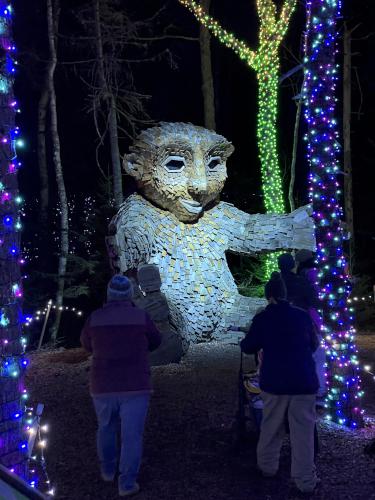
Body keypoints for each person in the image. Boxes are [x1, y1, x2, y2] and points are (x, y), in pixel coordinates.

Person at [80, 274, 161, 497]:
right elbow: (156, 341)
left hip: (103, 383)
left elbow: (86, 344)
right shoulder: (141, 316)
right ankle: (126, 483)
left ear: (109, 295)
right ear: (130, 294)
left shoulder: (95, 318)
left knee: (105, 427)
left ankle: (107, 469)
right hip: (136, 384)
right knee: (132, 435)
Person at [241, 272, 319, 495]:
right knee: (303, 432)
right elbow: (313, 344)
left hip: (275, 381)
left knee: (271, 425)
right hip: (304, 380)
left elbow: (248, 346)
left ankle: (267, 467)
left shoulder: (264, 318)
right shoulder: (302, 316)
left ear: (270, 297)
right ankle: (305, 481)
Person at [295, 250, 327, 402]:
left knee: (312, 356)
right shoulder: (315, 274)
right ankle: (319, 389)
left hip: (307, 321)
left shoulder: (302, 276)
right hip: (314, 320)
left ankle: (313, 388)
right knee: (319, 356)